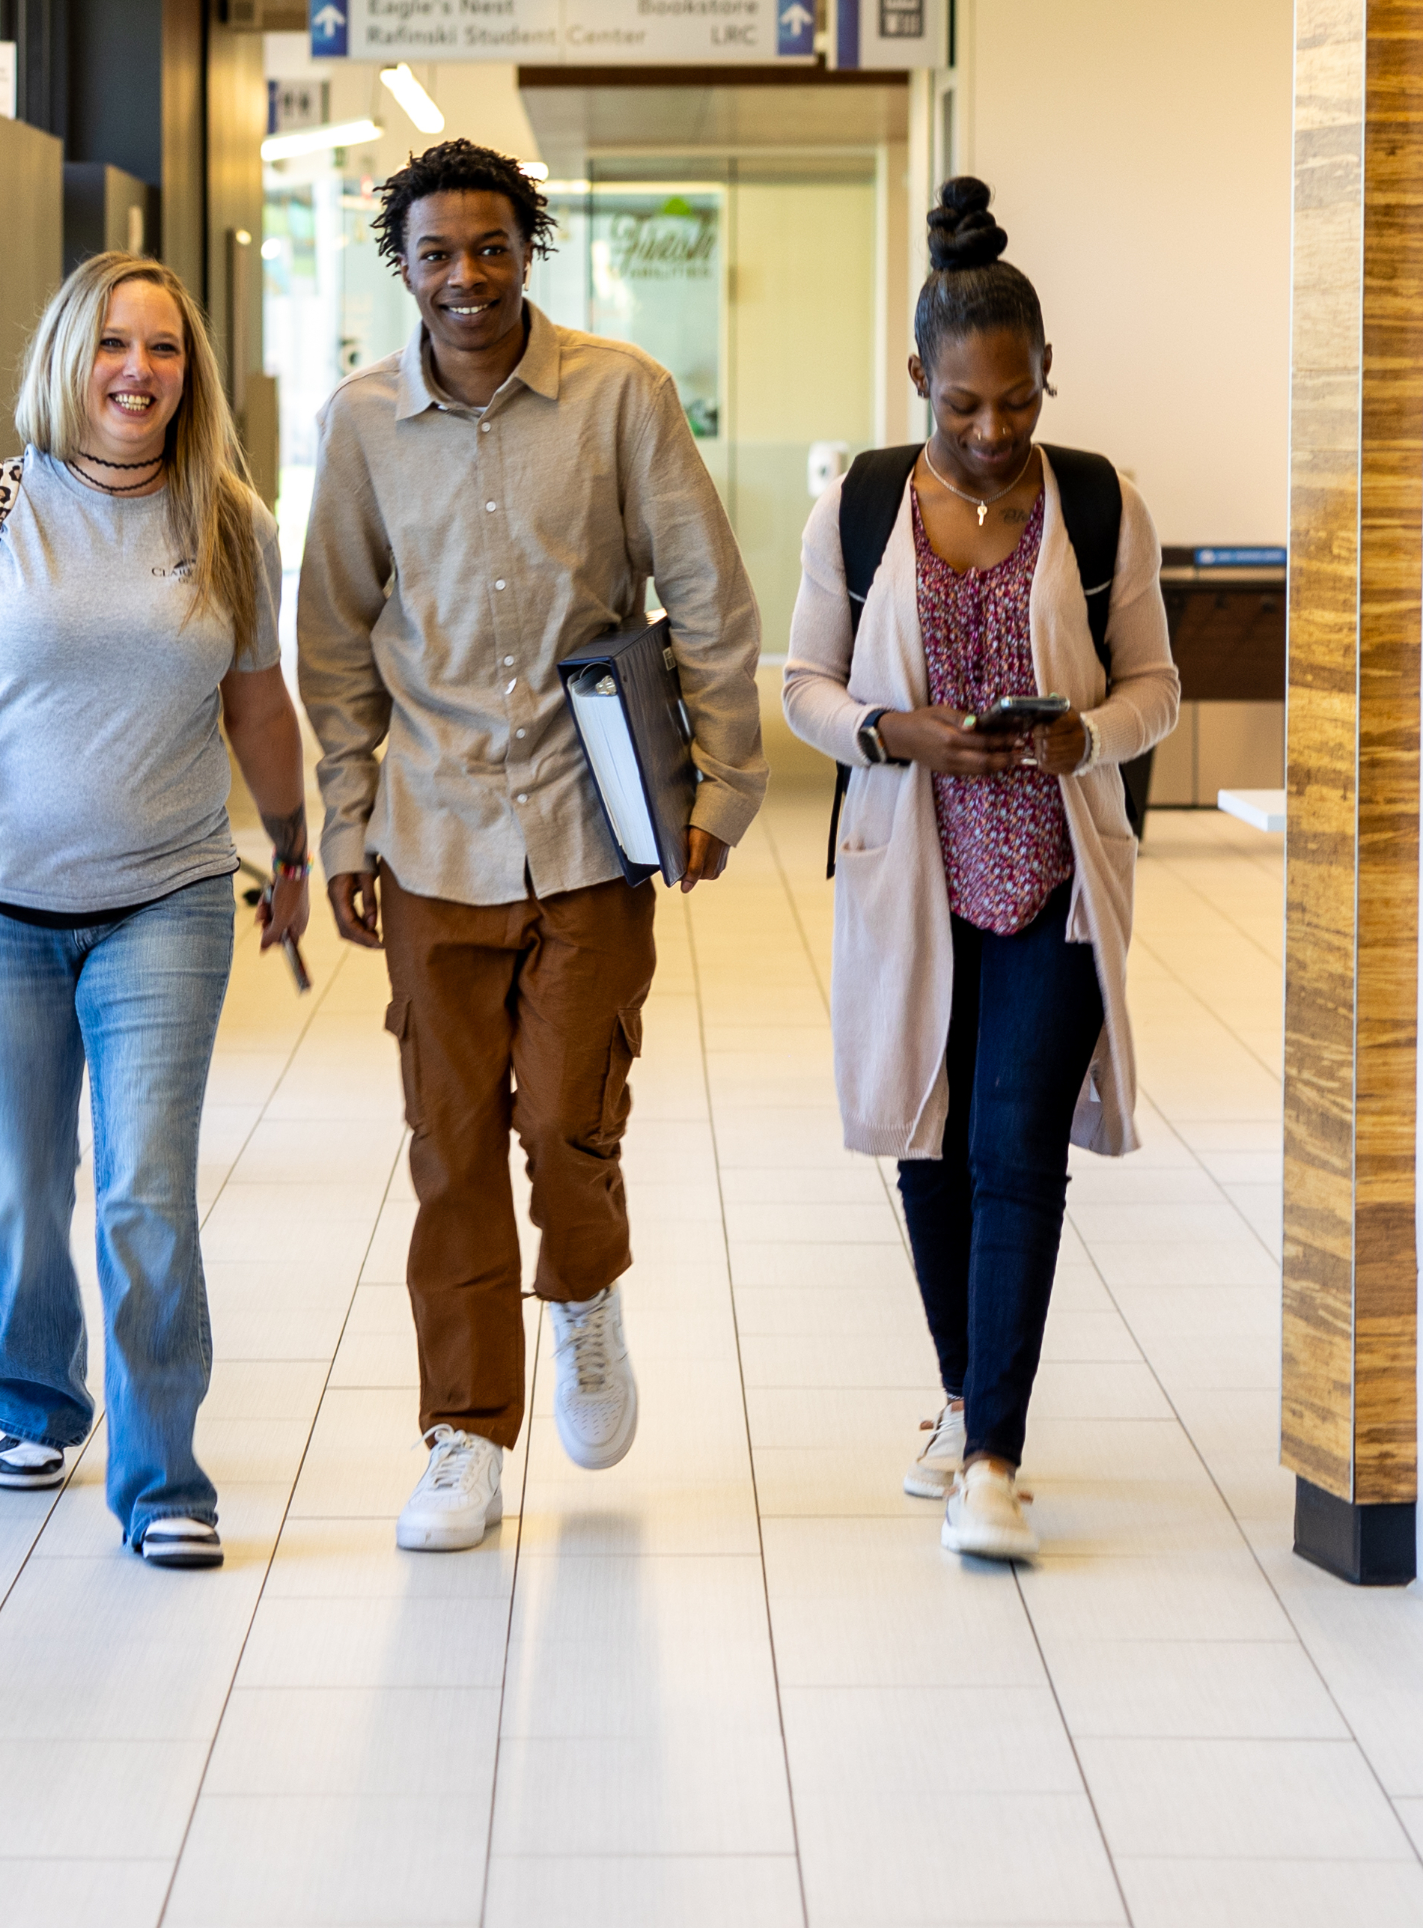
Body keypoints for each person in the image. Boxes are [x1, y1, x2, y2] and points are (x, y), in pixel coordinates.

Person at [298, 137, 767, 1553]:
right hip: (432, 836)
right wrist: (341, 818)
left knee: (568, 1121)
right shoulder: (363, 422)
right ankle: (462, 1432)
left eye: (490, 247)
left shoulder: (621, 395)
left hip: (590, 826)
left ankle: (584, 1294)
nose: (466, 277)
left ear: (528, 249)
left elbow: (709, 596)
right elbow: (331, 640)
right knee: (449, 1148)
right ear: (405, 266)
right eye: (436, 253)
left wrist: (726, 784)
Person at [0, 252, 314, 1570]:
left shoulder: (231, 520)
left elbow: (256, 704)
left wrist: (293, 852)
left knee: (144, 1188)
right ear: (69, 356)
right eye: (116, 343)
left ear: (192, 372)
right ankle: (37, 1390)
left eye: (167, 348)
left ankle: (163, 1476)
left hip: (169, 898)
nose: (141, 370)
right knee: (23, 1178)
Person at [780, 179, 1178, 1564]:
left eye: (1018, 402)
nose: (996, 431)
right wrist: (890, 732)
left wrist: (1084, 735)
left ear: (1047, 378)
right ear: (919, 384)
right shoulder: (866, 501)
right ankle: (961, 1394)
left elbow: (1156, 690)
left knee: (1015, 1151)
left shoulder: (1103, 501)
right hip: (912, 871)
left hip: (1052, 880)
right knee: (928, 1149)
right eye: (965, 406)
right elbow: (804, 685)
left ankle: (995, 1456)